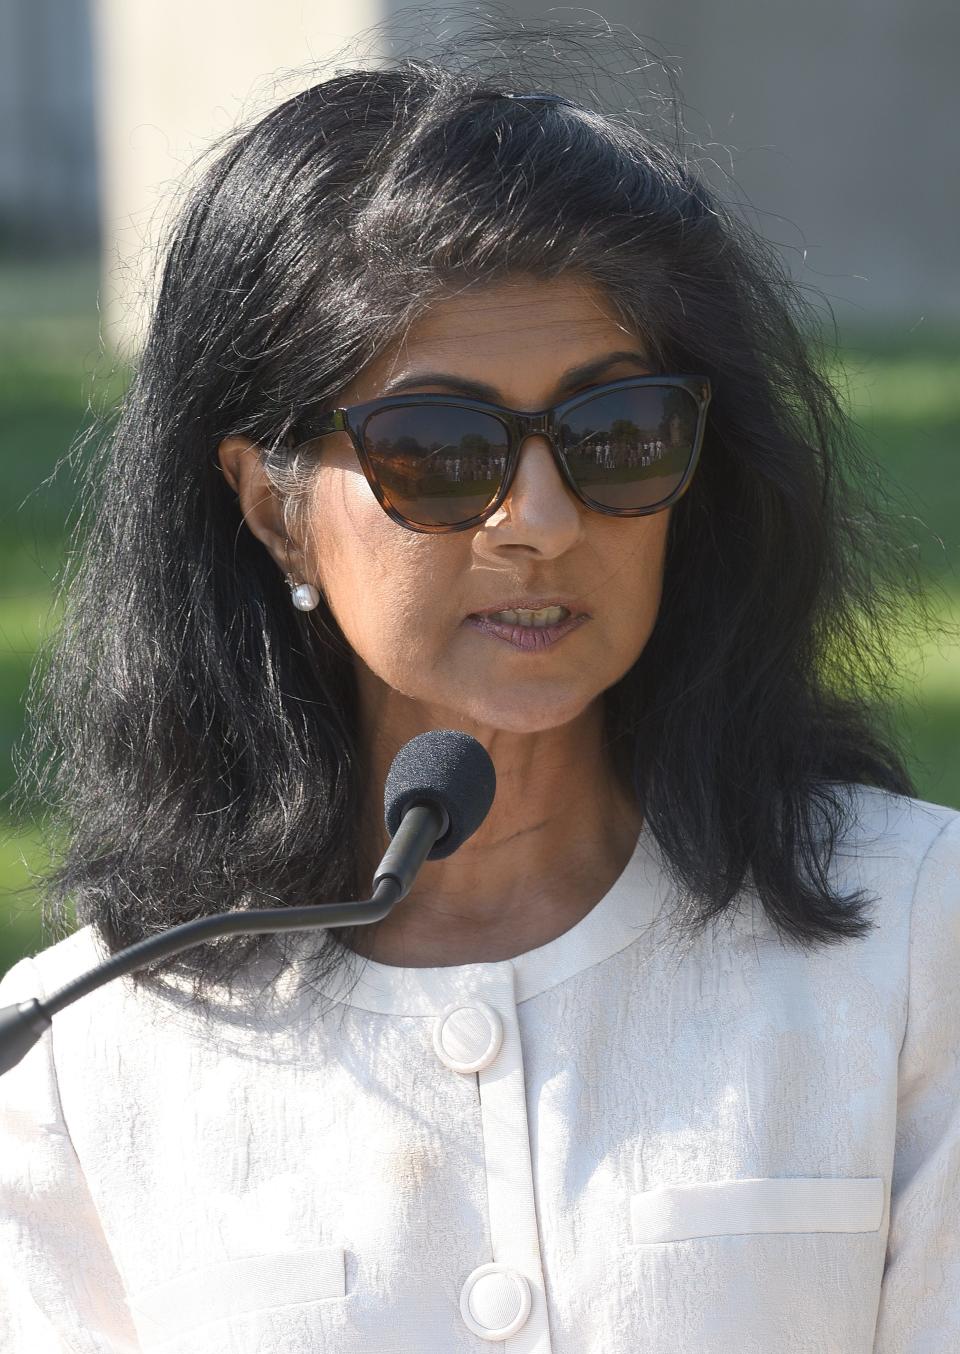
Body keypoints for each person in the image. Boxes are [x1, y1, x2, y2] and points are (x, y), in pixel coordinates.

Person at [1, 25, 958, 1354]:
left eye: (617, 433)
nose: (541, 519)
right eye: (442, 451)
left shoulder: (918, 938)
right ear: (273, 508)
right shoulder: (83, 1058)